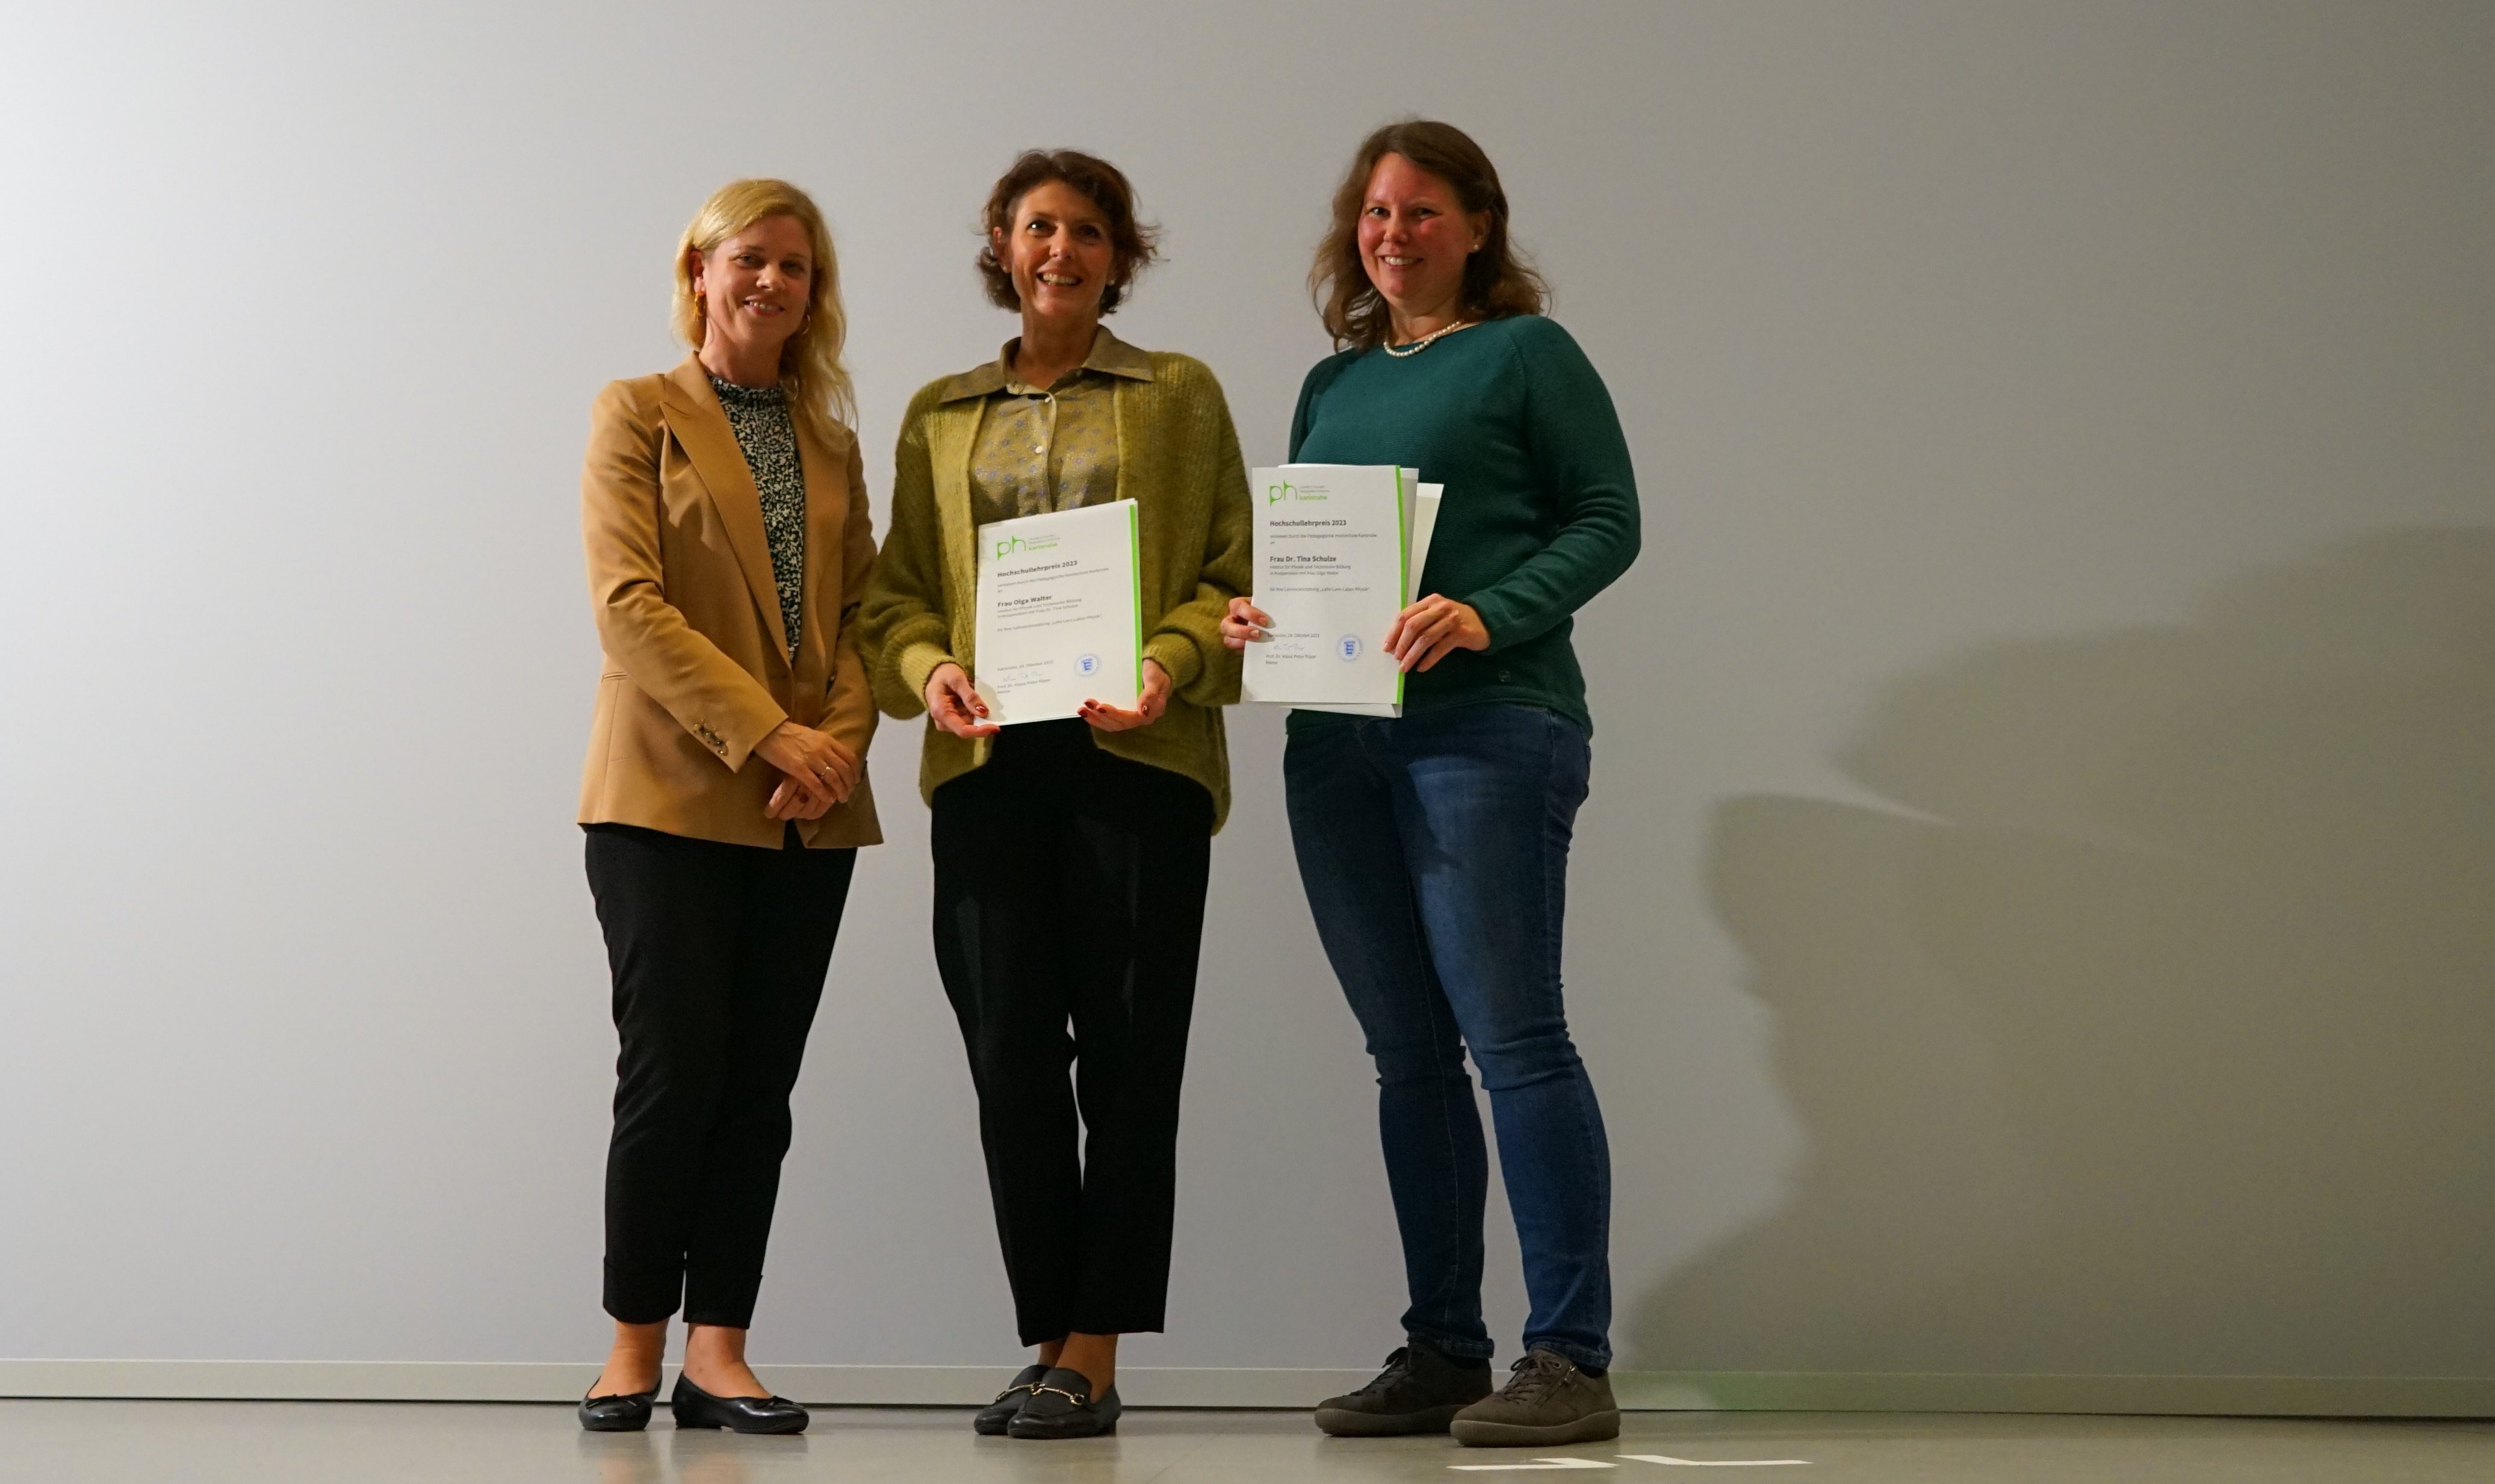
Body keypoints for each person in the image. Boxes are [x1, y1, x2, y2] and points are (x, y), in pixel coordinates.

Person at [1223, 120, 1641, 1448]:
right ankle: (1445, 1347)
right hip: (1337, 741)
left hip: (1488, 729)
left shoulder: (1530, 354)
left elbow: (1607, 520)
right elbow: (1306, 549)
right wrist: (1260, 615)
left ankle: (1568, 1355)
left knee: (1516, 1039)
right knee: (1409, 1055)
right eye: (1374, 213)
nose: (1392, 233)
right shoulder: (1329, 383)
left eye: (1420, 211)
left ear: (1477, 227)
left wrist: (1487, 611)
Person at [857, 149, 1248, 1441]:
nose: (1062, 251)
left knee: (1132, 1068)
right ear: (1002, 243)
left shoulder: (1180, 395)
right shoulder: (937, 414)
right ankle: (1047, 1340)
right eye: (1039, 228)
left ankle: (1096, 1351)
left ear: (1118, 254)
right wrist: (932, 670)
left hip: (1134, 761)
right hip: (985, 768)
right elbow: (894, 596)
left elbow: (1227, 572)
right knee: (1010, 1058)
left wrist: (1167, 665)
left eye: (1087, 231)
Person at [574, 178, 881, 1436]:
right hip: (666, 798)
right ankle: (630, 1346)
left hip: (806, 809)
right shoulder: (635, 413)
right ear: (699, 269)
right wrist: (769, 731)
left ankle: (720, 1353)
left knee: (759, 1087)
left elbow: (859, 617)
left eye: (797, 267)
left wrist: (834, 748)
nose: (772, 283)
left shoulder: (831, 440)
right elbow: (627, 605)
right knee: (669, 1077)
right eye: (749, 258)